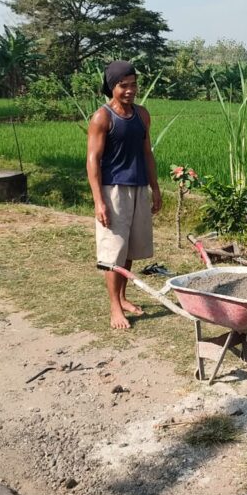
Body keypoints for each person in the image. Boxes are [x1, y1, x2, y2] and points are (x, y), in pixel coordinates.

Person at [87, 60, 162, 330]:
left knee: (129, 248)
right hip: (113, 190)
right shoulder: (102, 117)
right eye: (123, 85)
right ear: (111, 87)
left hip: (138, 187)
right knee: (113, 252)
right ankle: (114, 308)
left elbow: (147, 154)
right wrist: (99, 201)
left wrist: (155, 188)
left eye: (134, 85)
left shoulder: (142, 115)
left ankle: (123, 296)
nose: (130, 90)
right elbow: (93, 161)